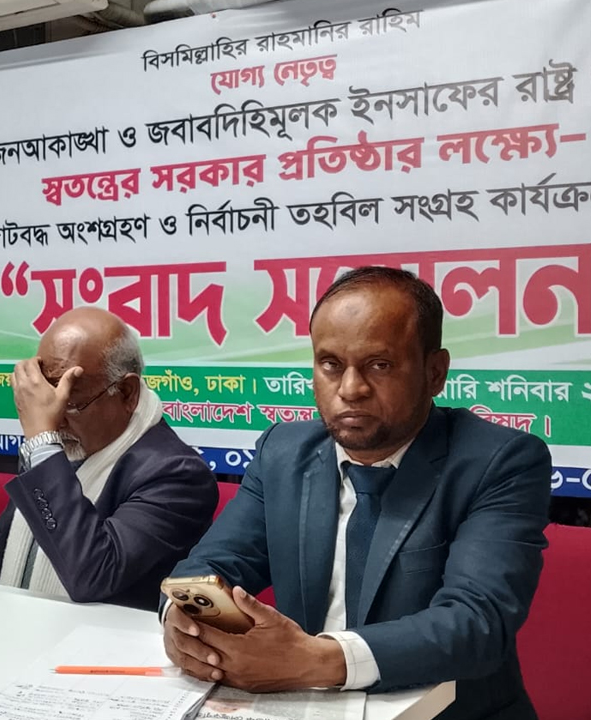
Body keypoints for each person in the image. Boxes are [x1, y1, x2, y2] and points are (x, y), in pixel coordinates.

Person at [162, 267, 551, 720]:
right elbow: (210, 566)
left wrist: (315, 660)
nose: (350, 389)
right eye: (330, 364)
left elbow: (476, 623)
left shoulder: (499, 461)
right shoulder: (283, 453)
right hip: (299, 706)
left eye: (379, 365)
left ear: (435, 372)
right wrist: (182, 622)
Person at [0, 308, 218, 609]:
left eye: (70, 403)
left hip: (100, 647)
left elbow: (93, 573)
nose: (55, 419)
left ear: (127, 393)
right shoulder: (67, 444)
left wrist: (43, 442)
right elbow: (16, 544)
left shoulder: (177, 475)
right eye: (48, 397)